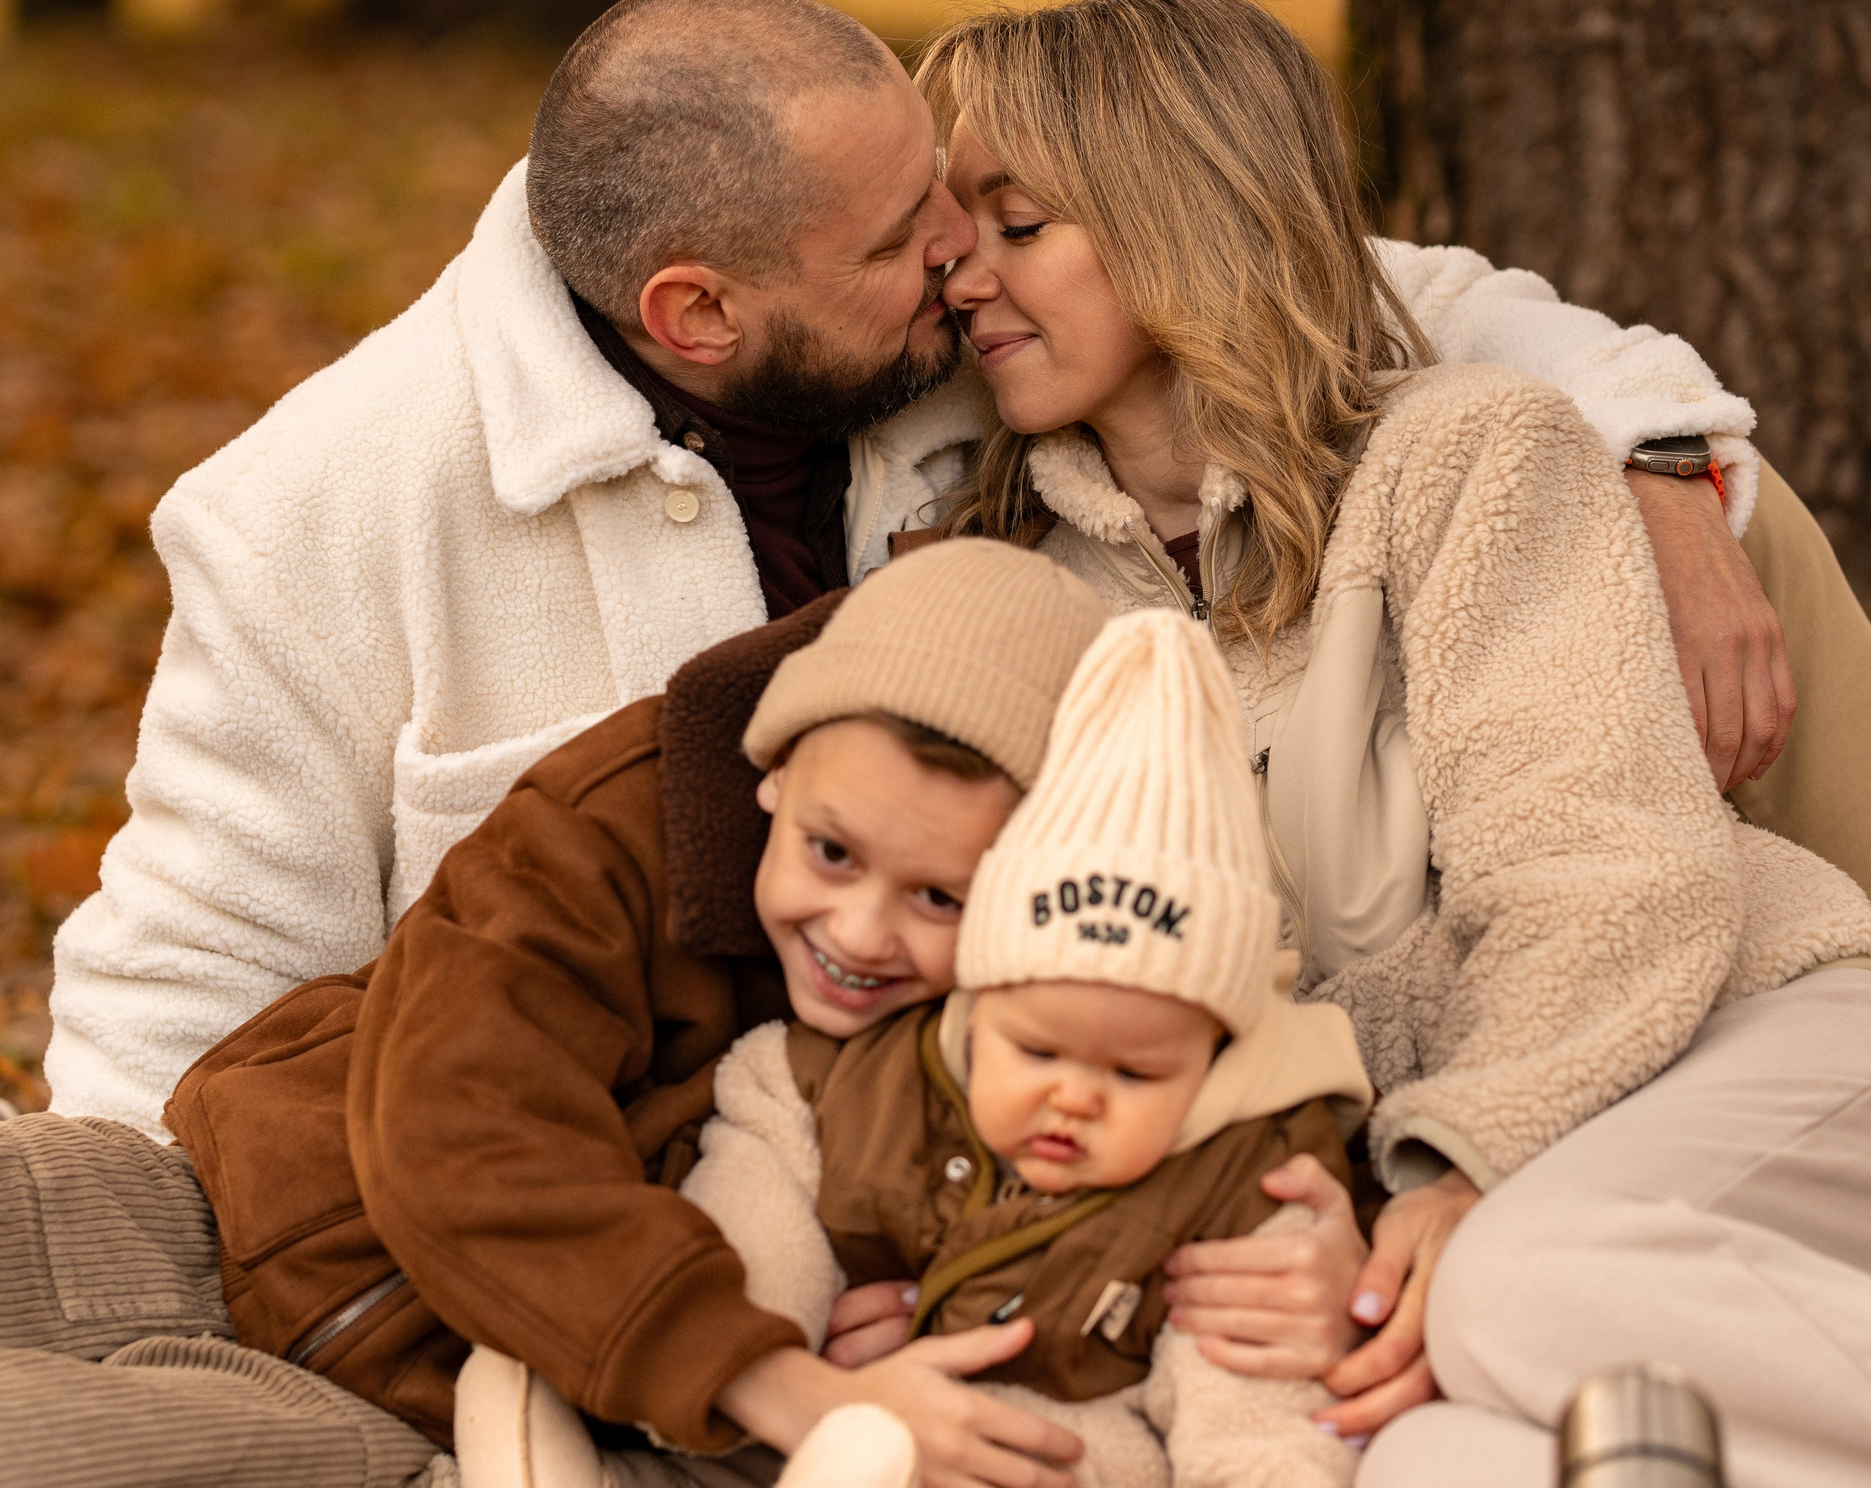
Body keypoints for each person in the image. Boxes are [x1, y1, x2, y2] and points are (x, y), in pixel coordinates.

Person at [37, 0, 1809, 1159]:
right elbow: (190, 976)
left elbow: (1316, 276)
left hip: (1016, 1091)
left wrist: (1652, 448)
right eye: (904, 238)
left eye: (961, 206)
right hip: (656, 1161)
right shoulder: (314, 516)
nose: (961, 255)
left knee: (1741, 532)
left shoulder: (939, 315)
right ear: (701, 314)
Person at [901, 0, 1871, 1483]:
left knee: (1512, 1288)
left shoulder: (1467, 451)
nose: (966, 276)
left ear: (1183, 218)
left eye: (1019, 224)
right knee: (1435, 1464)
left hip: (1767, 1086)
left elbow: (1608, 877)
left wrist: (1456, 1168)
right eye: (955, 238)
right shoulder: (1021, 590)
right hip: (1502, 1231)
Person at [0, 543, 1111, 1487]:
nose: (862, 930)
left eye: (941, 895)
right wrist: (776, 1380)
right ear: (772, 771)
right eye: (830, 854)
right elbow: (463, 1111)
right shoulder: (637, 810)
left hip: (459, 1425)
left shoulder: (1054, 1031)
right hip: (237, 1210)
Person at [461, 609, 1379, 1488]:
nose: (1075, 1097)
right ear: (975, 1003)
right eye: (1036, 1049)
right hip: (827, 1415)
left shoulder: (1247, 1184)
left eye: (1136, 1072)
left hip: (1064, 1440)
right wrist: (768, 1354)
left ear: (1216, 1050)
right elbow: (762, 1203)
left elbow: (1255, 1422)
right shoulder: (875, 1081)